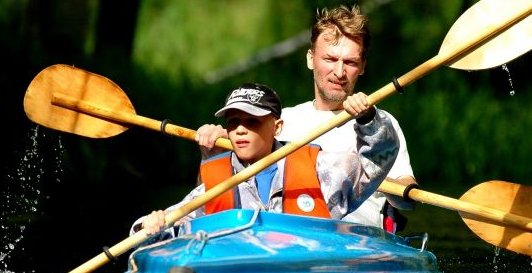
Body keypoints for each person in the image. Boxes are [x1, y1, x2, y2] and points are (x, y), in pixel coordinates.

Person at [196, 5, 417, 232]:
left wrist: (398, 187)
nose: (339, 72)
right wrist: (213, 155)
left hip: (357, 244)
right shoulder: (277, 123)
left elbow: (404, 201)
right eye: (330, 59)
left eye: (349, 62)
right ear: (311, 59)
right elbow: (213, 197)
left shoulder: (377, 125)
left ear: (362, 67)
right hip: (289, 238)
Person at [132, 82, 399, 239]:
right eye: (233, 122)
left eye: (252, 122)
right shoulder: (215, 183)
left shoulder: (319, 170)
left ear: (277, 127)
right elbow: (160, 228)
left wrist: (368, 120)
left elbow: (375, 162)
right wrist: (150, 228)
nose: (240, 129)